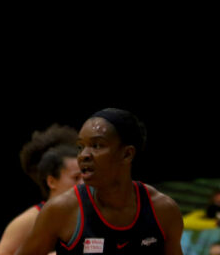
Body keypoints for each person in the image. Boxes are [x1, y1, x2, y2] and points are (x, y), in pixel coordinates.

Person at [15, 108, 184, 255]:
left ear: (127, 154)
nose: (84, 155)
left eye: (97, 145)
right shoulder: (62, 210)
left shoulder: (163, 210)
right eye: (81, 147)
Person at [0, 125, 83, 255]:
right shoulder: (27, 221)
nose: (83, 183)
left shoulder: (89, 215)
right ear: (51, 181)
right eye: (76, 177)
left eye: (84, 177)